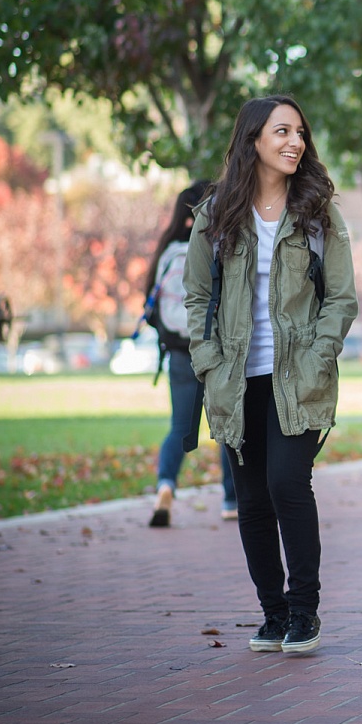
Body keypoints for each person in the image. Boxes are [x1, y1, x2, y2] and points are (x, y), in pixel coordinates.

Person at [184, 94, 358, 655]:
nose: (295, 143)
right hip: (235, 380)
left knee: (287, 483)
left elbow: (342, 298)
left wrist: (318, 357)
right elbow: (195, 295)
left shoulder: (318, 211)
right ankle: (273, 613)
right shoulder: (215, 214)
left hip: (297, 377)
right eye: (282, 132)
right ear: (253, 139)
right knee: (252, 498)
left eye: (301, 133)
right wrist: (207, 361)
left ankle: (304, 611)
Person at [145, 180, 238, 527]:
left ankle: (165, 485)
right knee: (227, 428)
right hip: (216, 351)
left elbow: (151, 308)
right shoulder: (216, 246)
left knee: (179, 428)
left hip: (180, 355)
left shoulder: (167, 252)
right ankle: (231, 499)